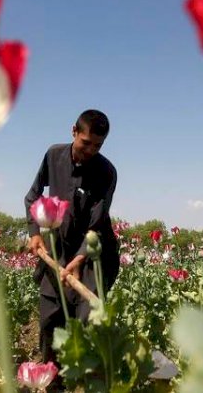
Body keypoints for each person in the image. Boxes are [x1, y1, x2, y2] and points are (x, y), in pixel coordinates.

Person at [24, 109, 119, 372]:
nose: (90, 150)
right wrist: (34, 233)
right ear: (73, 131)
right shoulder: (54, 155)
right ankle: (53, 379)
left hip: (92, 255)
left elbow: (96, 224)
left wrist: (78, 259)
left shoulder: (106, 172)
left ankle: (85, 380)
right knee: (49, 321)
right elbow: (32, 197)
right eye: (85, 143)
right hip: (56, 250)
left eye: (97, 146)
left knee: (85, 323)